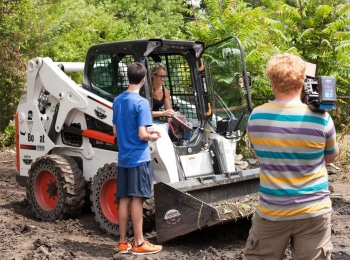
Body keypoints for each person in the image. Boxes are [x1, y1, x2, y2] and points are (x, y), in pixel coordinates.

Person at [244, 53, 339, 259]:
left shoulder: (257, 116)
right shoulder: (322, 118)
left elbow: (262, 156)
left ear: (271, 80)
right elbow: (331, 157)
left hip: (272, 212)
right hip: (314, 211)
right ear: (304, 81)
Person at [112, 62, 162, 255]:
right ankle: (139, 242)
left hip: (123, 158)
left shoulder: (117, 101)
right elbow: (142, 134)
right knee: (138, 200)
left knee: (124, 199)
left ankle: (123, 243)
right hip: (139, 159)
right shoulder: (141, 103)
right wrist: (153, 135)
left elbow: (116, 130)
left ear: (129, 78)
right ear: (143, 80)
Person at [151, 62, 192, 146]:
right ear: (153, 75)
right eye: (160, 76)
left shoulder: (165, 91)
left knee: (189, 125)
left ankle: (184, 145)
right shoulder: (146, 90)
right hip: (148, 121)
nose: (162, 79)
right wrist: (162, 113)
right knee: (163, 128)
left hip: (158, 121)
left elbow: (169, 112)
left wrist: (176, 116)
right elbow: (144, 113)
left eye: (164, 76)